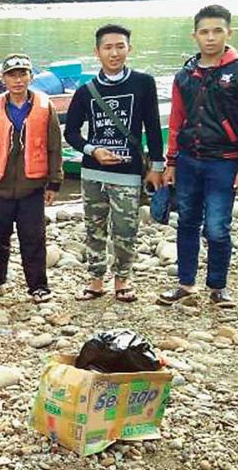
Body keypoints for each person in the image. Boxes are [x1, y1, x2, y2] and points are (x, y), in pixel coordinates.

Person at [158, 5, 238, 309]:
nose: (210, 37)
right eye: (204, 31)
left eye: (217, 30)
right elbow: (176, 121)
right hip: (189, 160)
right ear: (195, 35)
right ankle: (185, 283)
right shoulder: (184, 75)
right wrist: (171, 162)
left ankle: (218, 286)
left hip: (225, 160)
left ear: (229, 33)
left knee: (218, 226)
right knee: (187, 222)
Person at [65, 24, 165, 303]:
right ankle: (96, 280)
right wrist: (92, 150)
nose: (114, 53)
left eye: (120, 46)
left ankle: (122, 280)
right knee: (94, 227)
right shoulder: (86, 90)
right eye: (108, 47)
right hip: (93, 172)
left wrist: (156, 166)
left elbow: (154, 127)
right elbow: (71, 132)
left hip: (128, 172)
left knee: (125, 228)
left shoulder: (143, 83)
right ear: (97, 52)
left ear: (129, 49)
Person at [0, 54, 63, 304]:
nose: (18, 80)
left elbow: (55, 147)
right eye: (12, 75)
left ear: (31, 77)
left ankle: (37, 285)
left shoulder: (45, 108)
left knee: (33, 239)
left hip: (32, 188)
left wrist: (54, 182)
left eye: (23, 74)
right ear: (4, 79)